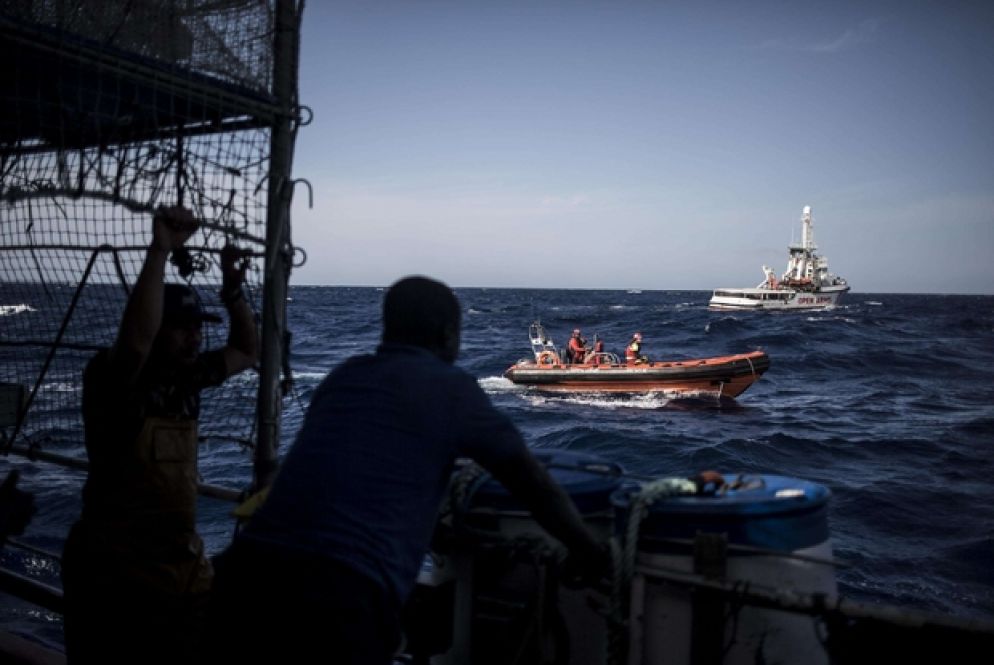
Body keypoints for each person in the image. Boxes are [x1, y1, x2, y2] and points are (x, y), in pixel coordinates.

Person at [205, 276, 609, 664]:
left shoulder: (345, 377)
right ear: (448, 334)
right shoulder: (451, 388)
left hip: (240, 578)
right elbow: (531, 483)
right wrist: (590, 551)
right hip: (340, 600)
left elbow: (357, 474)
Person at [61, 205, 258, 665]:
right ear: (156, 327)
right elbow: (134, 344)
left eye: (196, 329)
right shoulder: (114, 381)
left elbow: (248, 350)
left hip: (176, 574)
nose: (194, 340)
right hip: (114, 576)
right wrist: (160, 251)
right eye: (181, 329)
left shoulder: (188, 378)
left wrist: (232, 292)